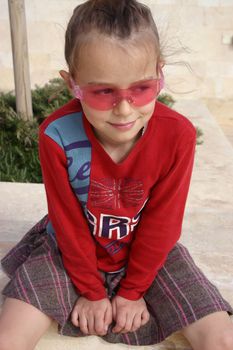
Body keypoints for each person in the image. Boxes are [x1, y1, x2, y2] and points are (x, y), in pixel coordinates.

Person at [0, 0, 233, 349]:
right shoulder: (56, 135)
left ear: (159, 73)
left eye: (141, 88)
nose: (124, 108)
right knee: (9, 335)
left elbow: (162, 223)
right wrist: (93, 293)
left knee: (221, 336)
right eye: (103, 91)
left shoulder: (178, 136)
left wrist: (133, 291)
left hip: (151, 253)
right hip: (68, 250)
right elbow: (67, 222)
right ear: (72, 84)